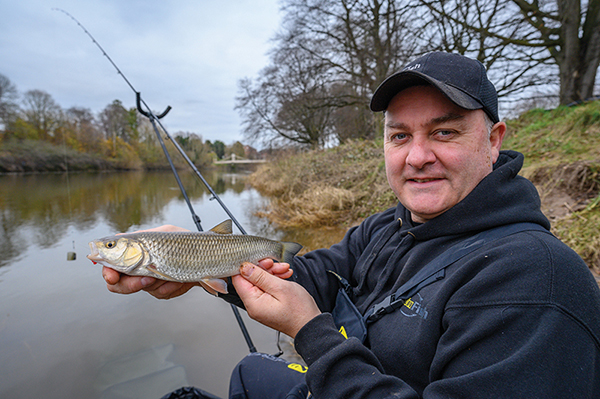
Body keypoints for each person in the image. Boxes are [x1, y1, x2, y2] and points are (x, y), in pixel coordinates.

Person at [103, 51, 600, 398]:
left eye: (444, 131)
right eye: (399, 135)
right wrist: (200, 267)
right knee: (252, 372)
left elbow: (308, 317)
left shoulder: (535, 284)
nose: (417, 156)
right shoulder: (392, 226)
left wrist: (310, 332)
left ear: (493, 140)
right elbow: (311, 275)